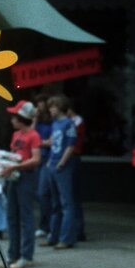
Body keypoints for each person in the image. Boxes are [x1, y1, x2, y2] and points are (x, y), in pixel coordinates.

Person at [0, 101, 41, 268]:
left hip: (26, 177)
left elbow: (36, 159)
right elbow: (13, 155)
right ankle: (13, 255)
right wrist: (3, 167)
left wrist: (15, 167)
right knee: (12, 216)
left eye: (15, 116)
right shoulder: (16, 135)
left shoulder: (33, 136)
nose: (12, 119)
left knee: (26, 217)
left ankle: (26, 256)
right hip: (14, 176)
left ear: (22, 118)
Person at [42, 94, 77, 250]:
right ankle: (53, 236)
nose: (50, 110)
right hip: (52, 164)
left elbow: (70, 145)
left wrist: (62, 162)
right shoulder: (55, 123)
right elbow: (52, 142)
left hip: (61, 166)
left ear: (60, 107)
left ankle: (66, 238)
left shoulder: (69, 123)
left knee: (66, 203)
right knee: (55, 203)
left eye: (53, 107)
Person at [33, 94, 53, 239]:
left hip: (48, 158)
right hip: (38, 158)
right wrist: (35, 118)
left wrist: (38, 142)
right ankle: (44, 226)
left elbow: (51, 141)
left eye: (42, 105)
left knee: (44, 193)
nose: (40, 108)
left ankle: (49, 226)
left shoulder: (53, 122)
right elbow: (31, 134)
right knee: (39, 194)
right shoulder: (37, 120)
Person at [67, 104, 86, 241]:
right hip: (70, 157)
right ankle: (75, 229)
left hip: (73, 157)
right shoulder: (71, 122)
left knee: (73, 196)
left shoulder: (76, 122)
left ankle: (78, 230)